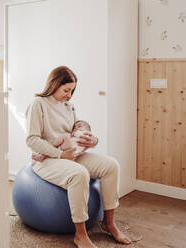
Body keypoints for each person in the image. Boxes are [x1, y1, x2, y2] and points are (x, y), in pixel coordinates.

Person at [25, 66, 131, 248]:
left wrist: (92, 140)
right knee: (79, 174)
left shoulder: (69, 106)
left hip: (70, 154)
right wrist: (60, 154)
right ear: (54, 84)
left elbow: (77, 131)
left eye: (72, 91)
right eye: (66, 90)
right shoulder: (38, 104)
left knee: (111, 165)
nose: (69, 95)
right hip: (47, 159)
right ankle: (80, 234)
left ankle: (109, 223)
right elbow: (32, 140)